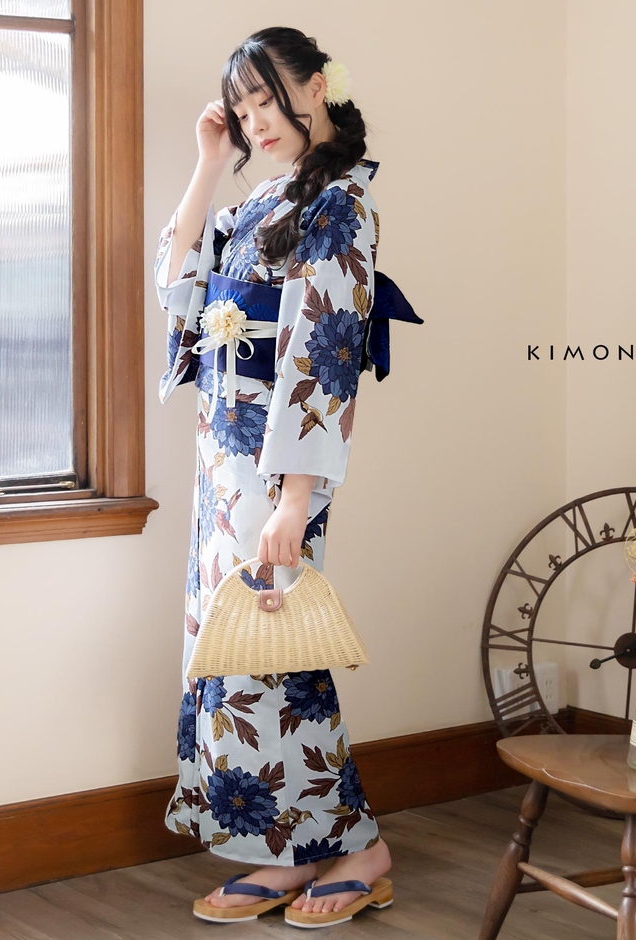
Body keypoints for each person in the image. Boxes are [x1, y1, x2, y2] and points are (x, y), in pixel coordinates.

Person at [154, 26, 396, 929]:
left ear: (316, 85)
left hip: (276, 461)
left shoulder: (341, 202)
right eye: (242, 106)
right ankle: (291, 851)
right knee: (229, 654)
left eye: (267, 99)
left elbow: (322, 354)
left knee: (275, 657)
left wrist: (297, 498)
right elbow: (177, 285)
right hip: (225, 457)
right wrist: (208, 163)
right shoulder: (260, 197)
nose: (255, 119)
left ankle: (358, 847)